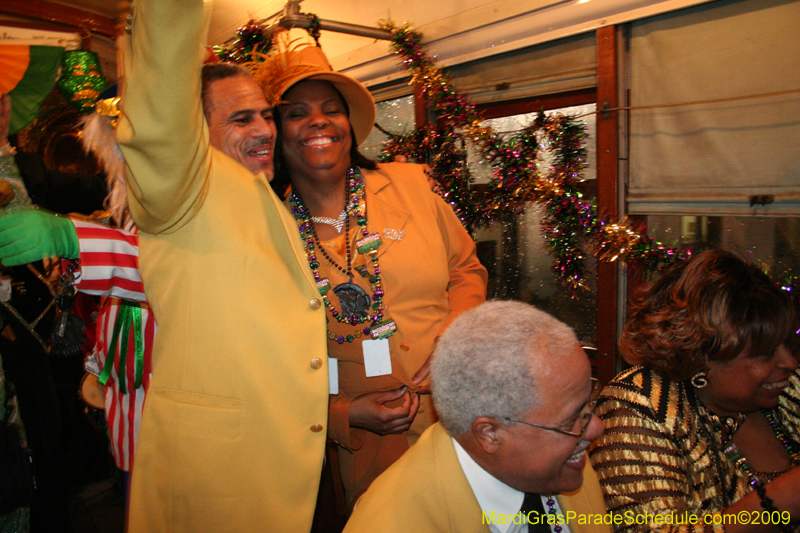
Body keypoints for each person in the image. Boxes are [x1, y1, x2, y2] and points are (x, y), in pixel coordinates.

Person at [115, 0, 330, 530]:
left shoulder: (262, 194)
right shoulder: (183, 187)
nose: (265, 129)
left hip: (276, 465)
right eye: (241, 118)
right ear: (191, 129)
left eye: (265, 114)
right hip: (218, 482)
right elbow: (158, 112)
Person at [254, 36, 488, 504]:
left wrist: (453, 339)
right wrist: (344, 414)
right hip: (371, 446)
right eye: (297, 112)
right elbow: (266, 367)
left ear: (348, 124)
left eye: (330, 109)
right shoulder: (265, 229)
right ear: (278, 132)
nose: (317, 120)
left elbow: (466, 269)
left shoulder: (411, 186)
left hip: (461, 417)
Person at [343, 300, 609, 533]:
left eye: (589, 406)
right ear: (489, 434)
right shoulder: (393, 523)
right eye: (572, 420)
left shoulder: (560, 459)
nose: (596, 428)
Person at [589, 250, 800, 533]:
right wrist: (779, 502)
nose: (790, 363)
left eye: (788, 345)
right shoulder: (640, 405)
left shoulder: (790, 390)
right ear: (701, 357)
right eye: (766, 353)